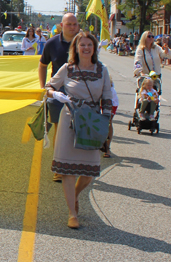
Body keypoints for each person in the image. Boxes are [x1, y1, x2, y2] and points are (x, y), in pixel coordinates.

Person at [45, 31, 112, 229]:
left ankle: (74, 194)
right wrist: (56, 94)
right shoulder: (67, 68)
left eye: (89, 45)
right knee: (68, 169)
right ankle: (72, 213)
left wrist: (106, 120)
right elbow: (48, 86)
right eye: (81, 45)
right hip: (70, 119)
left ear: (94, 48)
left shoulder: (102, 70)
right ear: (75, 48)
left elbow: (107, 96)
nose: (85, 48)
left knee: (89, 171)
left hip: (91, 120)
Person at [39, 12, 80, 183]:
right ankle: (59, 167)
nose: (72, 27)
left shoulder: (84, 42)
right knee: (60, 131)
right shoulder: (52, 43)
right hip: (58, 93)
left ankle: (74, 164)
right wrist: (43, 89)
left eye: (75, 24)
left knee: (76, 131)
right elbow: (42, 65)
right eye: (68, 24)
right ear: (62, 26)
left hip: (80, 93)